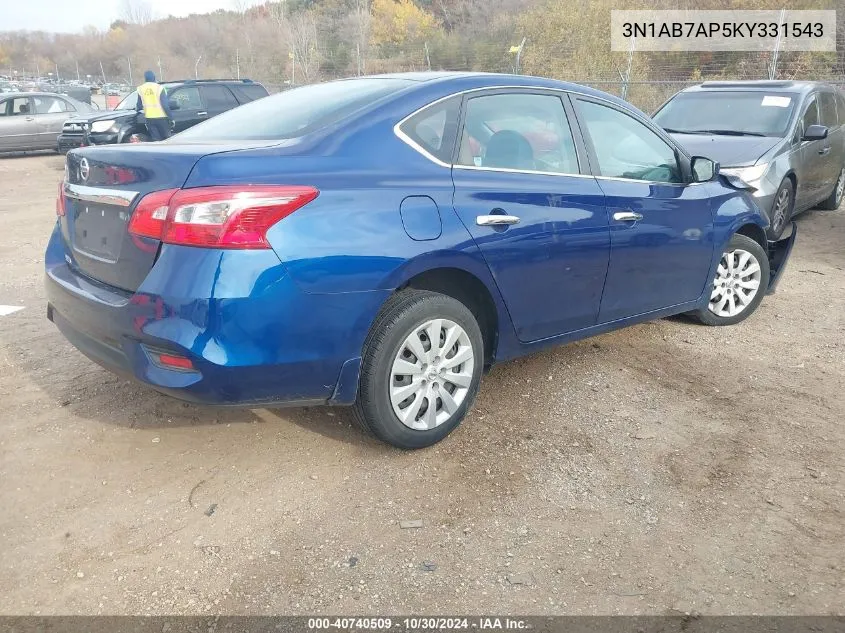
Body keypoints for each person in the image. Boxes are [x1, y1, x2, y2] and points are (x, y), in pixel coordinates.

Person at [136, 70, 173, 141]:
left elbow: (139, 106)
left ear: (145, 78)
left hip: (149, 119)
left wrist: (137, 110)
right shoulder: (159, 88)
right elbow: (165, 105)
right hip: (162, 118)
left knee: (156, 140)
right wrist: (171, 118)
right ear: (154, 77)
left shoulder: (140, 89)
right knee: (167, 140)